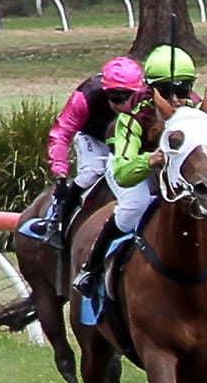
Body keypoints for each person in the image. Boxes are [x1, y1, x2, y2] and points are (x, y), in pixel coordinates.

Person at [70, 55, 207, 298]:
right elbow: (123, 174)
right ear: (151, 89)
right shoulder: (132, 117)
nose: (176, 99)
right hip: (135, 167)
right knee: (134, 206)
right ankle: (91, 268)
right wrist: (150, 160)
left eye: (183, 90)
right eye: (166, 91)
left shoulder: (202, 117)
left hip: (178, 173)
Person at [39, 56, 147, 248]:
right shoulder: (85, 97)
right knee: (92, 172)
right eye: (116, 98)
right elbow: (61, 133)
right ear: (105, 92)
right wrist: (61, 174)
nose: (123, 105)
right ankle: (58, 220)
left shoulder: (148, 97)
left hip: (129, 139)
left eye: (129, 97)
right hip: (94, 137)